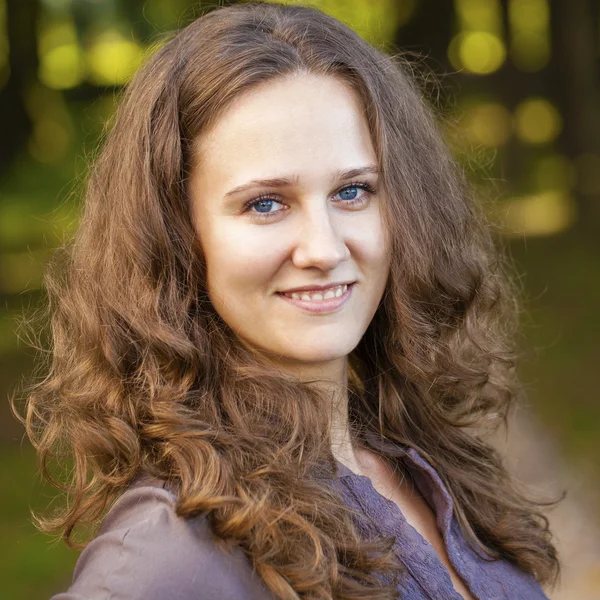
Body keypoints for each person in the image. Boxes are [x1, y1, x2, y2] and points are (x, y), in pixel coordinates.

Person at [12, 2, 560, 598]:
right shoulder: (168, 556)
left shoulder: (416, 460)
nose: (323, 248)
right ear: (175, 233)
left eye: (353, 191)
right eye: (266, 204)